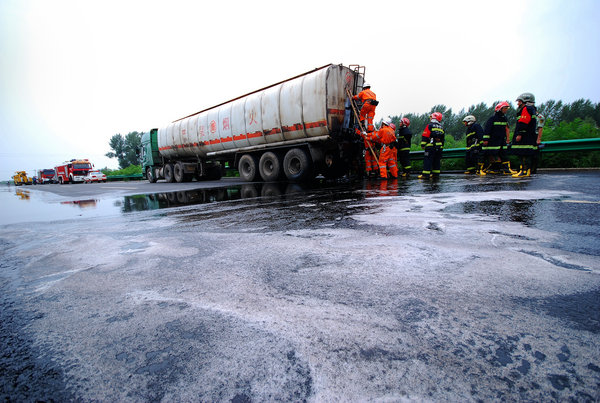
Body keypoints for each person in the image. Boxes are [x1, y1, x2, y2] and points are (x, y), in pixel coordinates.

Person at [511, 92, 538, 177]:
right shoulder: (532, 109)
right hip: (529, 136)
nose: (518, 103)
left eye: (519, 101)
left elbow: (523, 123)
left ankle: (524, 171)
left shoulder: (526, 109)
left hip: (525, 137)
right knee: (527, 154)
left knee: (523, 154)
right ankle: (526, 171)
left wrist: (519, 134)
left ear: (525, 101)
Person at [482, 101, 512, 175]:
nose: (506, 110)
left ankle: (506, 169)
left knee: (504, 154)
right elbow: (487, 130)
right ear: (499, 109)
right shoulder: (492, 119)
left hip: (502, 140)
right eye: (505, 108)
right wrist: (486, 139)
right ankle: (495, 168)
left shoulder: (504, 118)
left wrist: (508, 139)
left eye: (506, 108)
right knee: (493, 154)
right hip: (493, 141)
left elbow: (507, 128)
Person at [418, 112, 445, 180]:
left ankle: (425, 175)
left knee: (428, 160)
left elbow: (425, 135)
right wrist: (441, 147)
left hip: (430, 147)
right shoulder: (441, 127)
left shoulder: (430, 125)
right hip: (438, 147)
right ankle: (436, 175)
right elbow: (443, 139)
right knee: (436, 161)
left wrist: (423, 144)